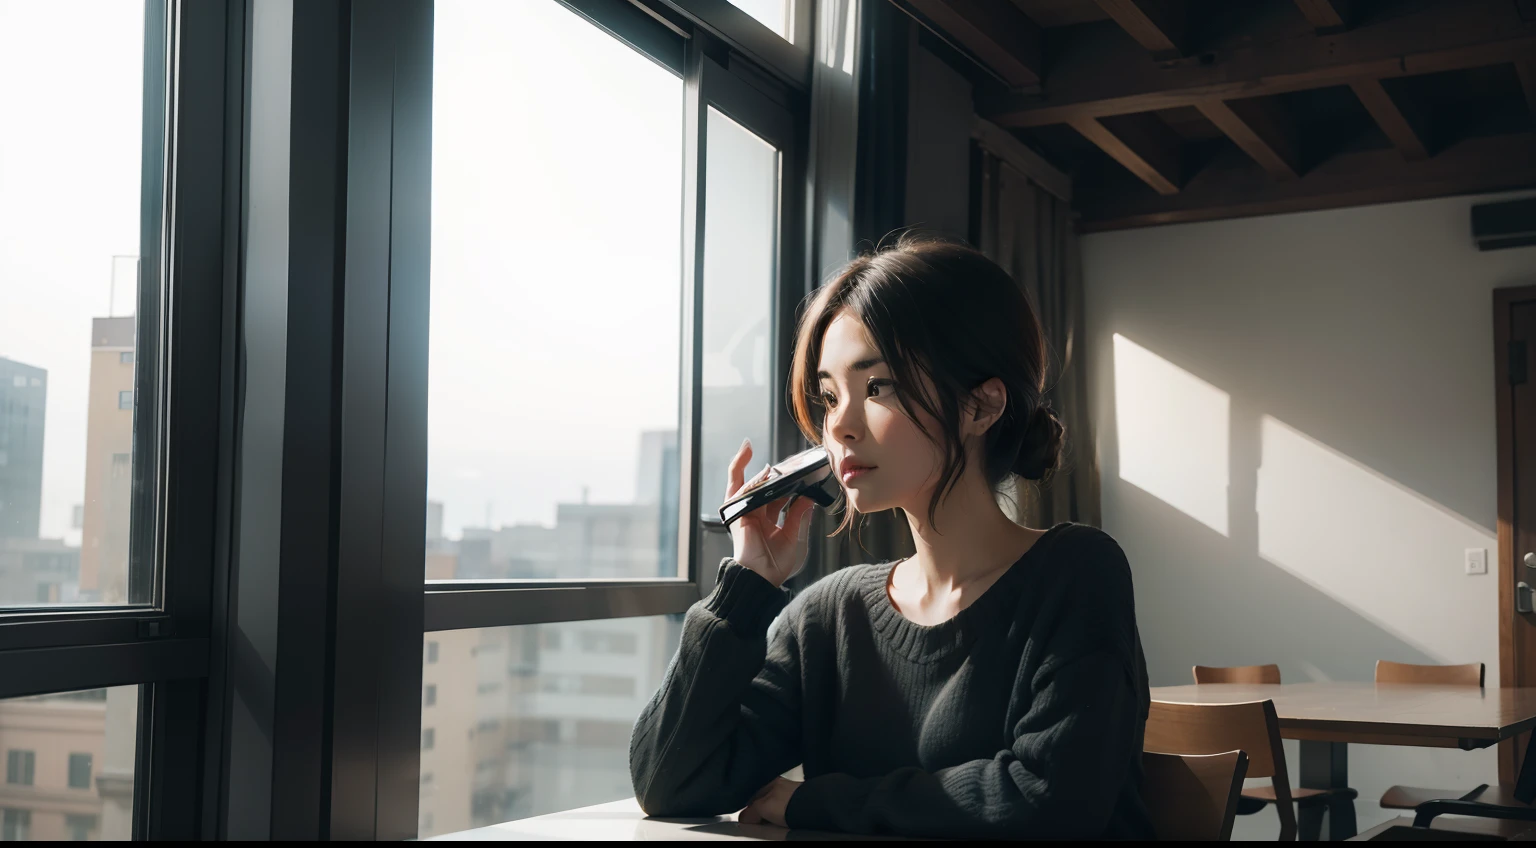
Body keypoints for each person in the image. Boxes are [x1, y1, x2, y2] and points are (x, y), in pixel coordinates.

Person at [628, 236, 1153, 839]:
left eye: (877, 387)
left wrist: (816, 804)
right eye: (829, 397)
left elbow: (1048, 801)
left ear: (981, 407)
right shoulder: (830, 617)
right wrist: (746, 586)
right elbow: (669, 783)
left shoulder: (1079, 572)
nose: (840, 426)